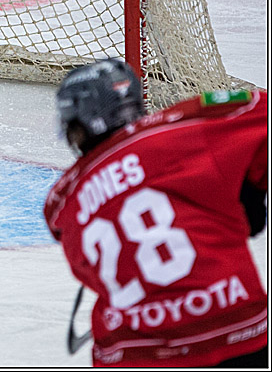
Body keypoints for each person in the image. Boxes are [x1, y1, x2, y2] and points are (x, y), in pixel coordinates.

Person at [44, 58, 267, 367]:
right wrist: (250, 193)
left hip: (133, 351)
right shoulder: (186, 126)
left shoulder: (61, 202)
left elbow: (86, 264)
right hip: (233, 328)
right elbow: (260, 114)